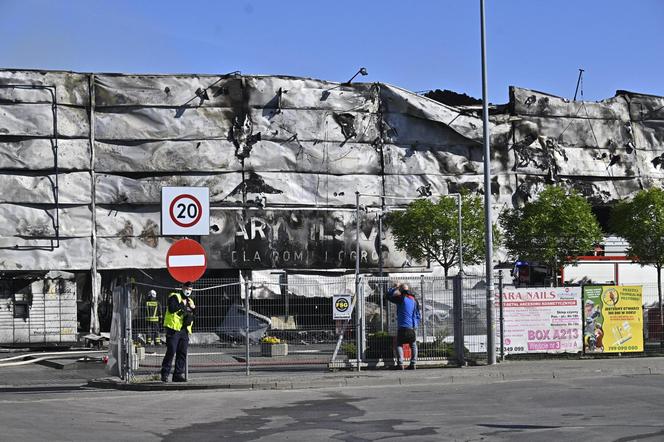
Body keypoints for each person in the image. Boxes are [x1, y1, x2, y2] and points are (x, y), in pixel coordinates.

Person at [161, 282, 196, 382]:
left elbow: (194, 313)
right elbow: (172, 309)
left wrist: (192, 310)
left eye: (190, 289)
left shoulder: (190, 301)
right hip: (173, 329)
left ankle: (177, 375)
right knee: (171, 351)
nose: (188, 291)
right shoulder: (174, 296)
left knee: (182, 353)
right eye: (186, 288)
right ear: (182, 288)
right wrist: (182, 306)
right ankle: (165, 374)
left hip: (184, 330)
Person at [386, 282, 421, 370]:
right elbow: (418, 313)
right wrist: (415, 324)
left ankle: (400, 364)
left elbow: (387, 296)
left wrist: (395, 288)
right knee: (413, 344)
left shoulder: (401, 298)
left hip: (403, 325)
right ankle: (413, 363)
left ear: (401, 290)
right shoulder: (414, 299)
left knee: (399, 344)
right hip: (413, 326)